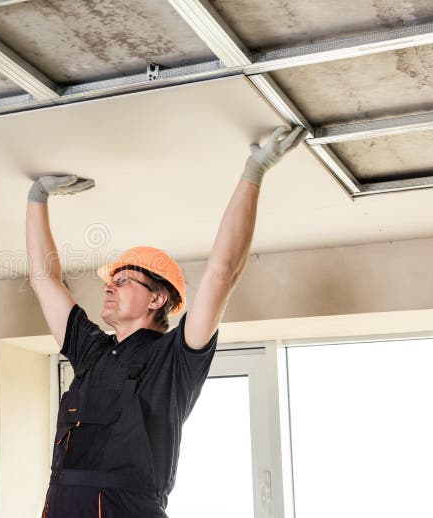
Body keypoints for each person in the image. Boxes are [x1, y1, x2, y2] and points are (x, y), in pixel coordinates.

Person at [26, 126, 305, 517]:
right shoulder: (92, 350)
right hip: (61, 505)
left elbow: (221, 273)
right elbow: (44, 279)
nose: (110, 287)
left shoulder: (176, 358)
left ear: (157, 299)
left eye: (123, 281)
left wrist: (254, 173)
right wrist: (37, 197)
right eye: (110, 280)